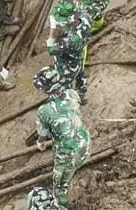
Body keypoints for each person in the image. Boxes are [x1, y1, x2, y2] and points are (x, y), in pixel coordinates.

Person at [30, 77, 91, 209]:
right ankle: (77, 166)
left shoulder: (44, 111)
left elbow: (42, 135)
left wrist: (41, 143)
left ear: (45, 89)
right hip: (84, 143)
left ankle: (63, 205)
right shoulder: (72, 94)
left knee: (59, 188)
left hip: (67, 155)